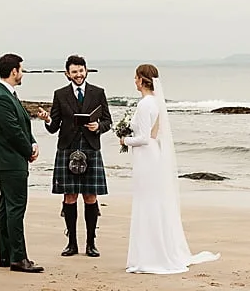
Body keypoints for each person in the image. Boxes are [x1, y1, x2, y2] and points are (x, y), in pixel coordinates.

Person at [117, 64, 220, 274]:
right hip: (151, 156)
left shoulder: (146, 104)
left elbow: (145, 138)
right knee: (152, 203)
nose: (134, 81)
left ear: (140, 79)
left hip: (147, 158)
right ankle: (151, 251)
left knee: (147, 204)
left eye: (135, 78)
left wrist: (124, 140)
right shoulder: (155, 102)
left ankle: (150, 256)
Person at [39, 55, 112, 257]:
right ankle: (71, 243)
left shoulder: (98, 93)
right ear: (67, 74)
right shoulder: (60, 95)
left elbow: (108, 121)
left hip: (90, 148)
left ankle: (91, 243)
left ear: (86, 70)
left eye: (81, 71)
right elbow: (54, 127)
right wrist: (46, 119)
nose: (78, 75)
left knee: (90, 196)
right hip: (67, 148)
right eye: (74, 72)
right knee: (69, 196)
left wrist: (98, 126)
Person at [0, 53, 43, 273]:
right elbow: (12, 132)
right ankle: (18, 257)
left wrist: (33, 142)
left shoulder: (9, 94)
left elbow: (22, 125)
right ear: (13, 72)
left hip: (10, 159)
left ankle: (7, 255)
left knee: (6, 207)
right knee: (16, 208)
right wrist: (28, 150)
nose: (23, 73)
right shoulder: (0, 97)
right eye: (21, 69)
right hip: (9, 160)